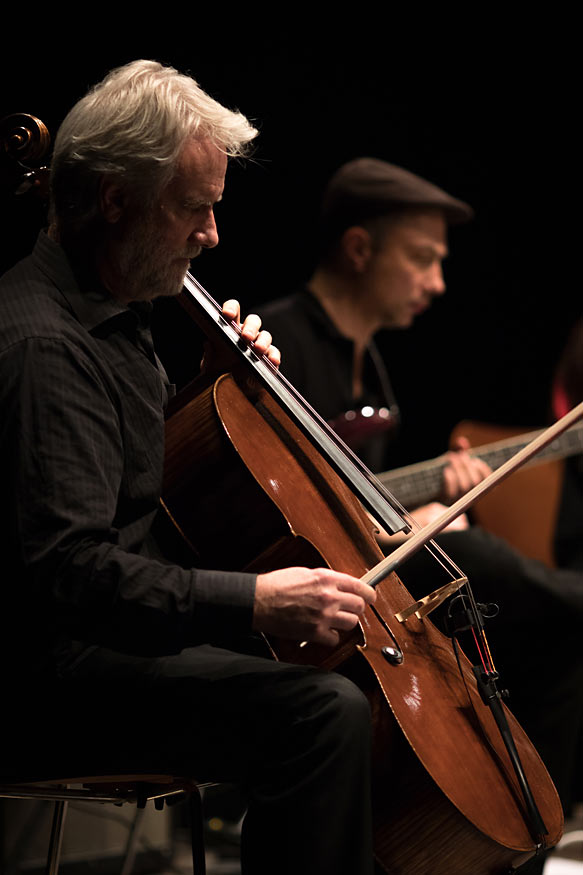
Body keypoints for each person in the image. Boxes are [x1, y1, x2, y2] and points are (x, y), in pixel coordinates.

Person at [0, 62, 378, 875]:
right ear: (115, 200)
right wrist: (254, 599)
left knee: (342, 677)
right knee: (320, 715)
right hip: (55, 681)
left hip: (115, 645)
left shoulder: (114, 312)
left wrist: (213, 388)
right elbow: (70, 571)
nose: (211, 235)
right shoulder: (42, 346)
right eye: (194, 208)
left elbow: (132, 484)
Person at [258, 157, 583, 870]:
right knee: (484, 559)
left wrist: (426, 504)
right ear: (359, 249)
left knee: (561, 646)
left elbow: (369, 494)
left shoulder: (371, 363)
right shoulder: (276, 348)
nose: (437, 282)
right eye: (422, 258)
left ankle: (517, 846)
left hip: (380, 589)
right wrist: (411, 522)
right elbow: (285, 507)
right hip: (317, 597)